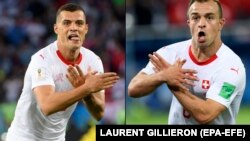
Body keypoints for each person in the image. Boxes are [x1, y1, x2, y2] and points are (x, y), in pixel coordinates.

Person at [6, 3, 119, 140]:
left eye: (79, 23)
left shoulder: (93, 61)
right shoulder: (41, 59)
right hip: (24, 137)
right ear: (56, 29)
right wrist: (85, 88)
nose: (73, 28)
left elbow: (99, 113)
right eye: (66, 23)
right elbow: (46, 106)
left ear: (86, 28)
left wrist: (87, 94)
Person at [128, 0, 246, 125]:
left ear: (220, 24)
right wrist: (162, 76)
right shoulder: (170, 53)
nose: (201, 24)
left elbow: (205, 115)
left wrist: (175, 85)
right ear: (189, 23)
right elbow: (133, 88)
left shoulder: (232, 67)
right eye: (195, 18)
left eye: (209, 17)